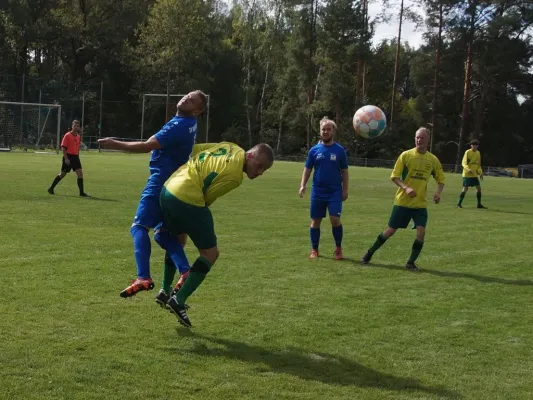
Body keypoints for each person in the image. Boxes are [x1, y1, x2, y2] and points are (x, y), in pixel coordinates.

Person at [97, 90, 207, 298]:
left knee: (139, 227)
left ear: (197, 111)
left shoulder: (179, 125)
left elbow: (147, 146)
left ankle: (143, 277)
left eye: (192, 100)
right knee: (162, 234)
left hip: (160, 181)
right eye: (187, 95)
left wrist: (114, 144)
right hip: (174, 185)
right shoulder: (188, 123)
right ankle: (185, 270)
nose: (185, 98)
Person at [159, 141, 274, 327]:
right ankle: (178, 300)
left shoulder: (231, 146)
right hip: (188, 196)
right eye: (260, 166)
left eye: (264, 170)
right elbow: (207, 196)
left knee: (178, 240)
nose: (260, 172)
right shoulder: (236, 176)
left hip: (168, 188)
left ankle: (165, 290)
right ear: (250, 156)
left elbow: (195, 149)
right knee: (210, 253)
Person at [360, 128, 445, 271]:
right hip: (402, 202)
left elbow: (441, 179)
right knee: (390, 231)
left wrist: (438, 193)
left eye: (422, 138)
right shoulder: (406, 156)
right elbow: (395, 176)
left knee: (421, 232)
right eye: (417, 137)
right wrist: (406, 188)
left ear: (428, 140)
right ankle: (369, 253)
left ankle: (410, 262)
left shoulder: (432, 160)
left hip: (420, 205)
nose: (419, 140)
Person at [299, 117, 348, 260]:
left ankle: (338, 249)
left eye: (328, 129)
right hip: (317, 191)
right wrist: (302, 185)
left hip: (334, 191)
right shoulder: (314, 150)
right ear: (320, 131)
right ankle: (315, 250)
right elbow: (307, 169)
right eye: (323, 129)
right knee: (315, 221)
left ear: (333, 131)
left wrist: (345, 190)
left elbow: (345, 171)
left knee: (335, 219)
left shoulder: (339, 151)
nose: (325, 131)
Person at [48, 120, 89, 197]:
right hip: (68, 156)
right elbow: (63, 148)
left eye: (77, 126)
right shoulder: (67, 135)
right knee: (63, 174)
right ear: (72, 126)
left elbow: (77, 148)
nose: (76, 127)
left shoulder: (78, 136)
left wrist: (78, 156)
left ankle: (81, 192)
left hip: (76, 157)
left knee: (80, 174)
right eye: (75, 126)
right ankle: (51, 188)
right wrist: (66, 158)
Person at [457, 139, 486, 209]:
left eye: (476, 145)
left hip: (474, 174)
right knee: (465, 189)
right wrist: (468, 169)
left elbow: (478, 164)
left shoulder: (478, 153)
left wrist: (480, 173)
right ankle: (458, 204)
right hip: (467, 174)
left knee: (479, 188)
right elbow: (463, 162)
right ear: (471, 145)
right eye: (473, 145)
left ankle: (479, 204)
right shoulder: (467, 152)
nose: (475, 147)